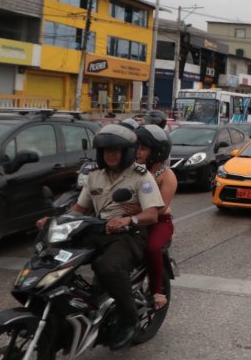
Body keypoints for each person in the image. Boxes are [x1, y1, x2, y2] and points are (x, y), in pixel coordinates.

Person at [36, 123, 164, 350]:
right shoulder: (94, 175)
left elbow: (152, 214)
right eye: (106, 150)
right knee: (54, 257)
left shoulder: (140, 176)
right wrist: (54, 221)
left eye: (115, 150)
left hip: (128, 234)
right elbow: (79, 208)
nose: (110, 155)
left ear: (127, 152)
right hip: (97, 229)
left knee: (107, 267)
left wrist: (127, 220)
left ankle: (129, 319)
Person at [124, 123, 176, 310]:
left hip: (158, 223)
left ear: (157, 152)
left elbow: (161, 208)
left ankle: (157, 291)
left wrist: (137, 210)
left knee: (153, 249)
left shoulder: (166, 175)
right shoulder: (132, 169)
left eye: (143, 148)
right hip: (132, 219)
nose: (138, 152)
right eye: (136, 147)